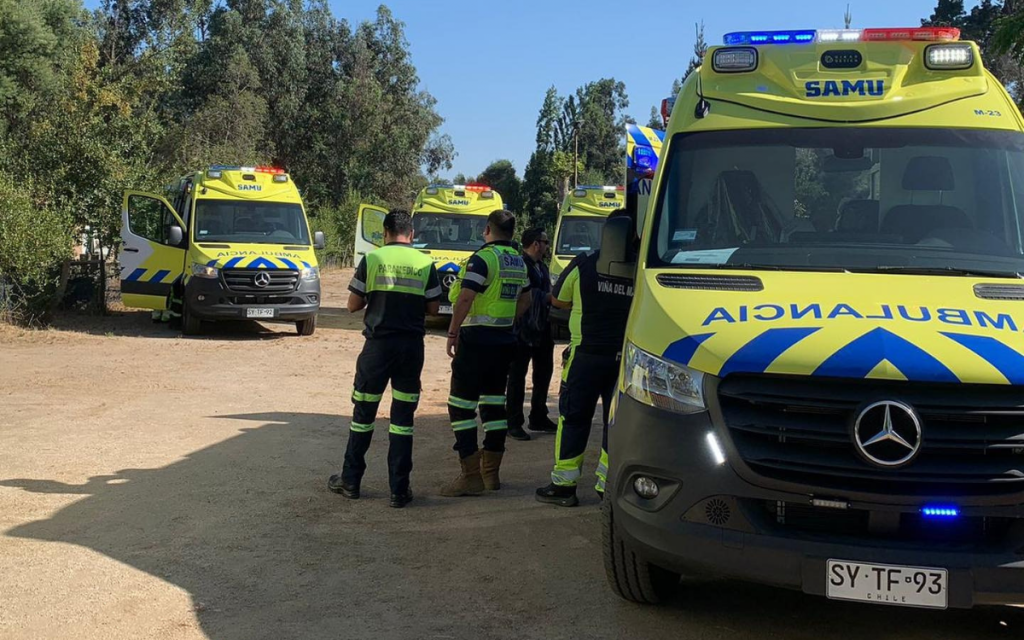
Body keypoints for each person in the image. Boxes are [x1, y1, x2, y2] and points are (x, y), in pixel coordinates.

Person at [328, 210, 441, 508]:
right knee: (403, 421)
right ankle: (399, 491)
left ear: (385, 232)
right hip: (410, 350)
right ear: (412, 234)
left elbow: (353, 304)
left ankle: (350, 481)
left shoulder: (373, 259)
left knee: (363, 415)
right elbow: (433, 309)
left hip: (377, 349)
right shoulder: (425, 262)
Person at [535, 210, 637, 507]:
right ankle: (607, 487)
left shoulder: (584, 264)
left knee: (574, 418)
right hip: (624, 361)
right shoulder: (641, 270)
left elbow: (558, 299)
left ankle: (564, 486)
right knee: (614, 422)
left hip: (585, 357)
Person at [441, 209, 532, 497]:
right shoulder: (519, 262)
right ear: (513, 232)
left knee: (461, 405)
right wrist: (508, 323)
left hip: (476, 340)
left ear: (487, 229)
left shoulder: (483, 259)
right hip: (504, 341)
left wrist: (453, 331)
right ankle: (490, 475)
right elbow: (527, 299)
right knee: (494, 405)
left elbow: (466, 296)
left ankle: (470, 476)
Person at [506, 227, 557, 441]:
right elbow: (522, 294)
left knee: (543, 373)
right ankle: (513, 422)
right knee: (517, 377)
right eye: (545, 242)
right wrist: (545, 297)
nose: (547, 246)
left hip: (542, 328)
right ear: (536, 244)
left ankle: (538, 415)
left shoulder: (542, 268)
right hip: (522, 329)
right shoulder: (521, 265)